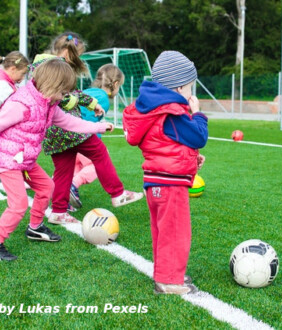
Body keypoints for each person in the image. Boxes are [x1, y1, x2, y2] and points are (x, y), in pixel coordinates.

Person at [0, 59, 114, 261]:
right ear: (52, 85)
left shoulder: (49, 104)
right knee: (18, 204)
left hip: (25, 160)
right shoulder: (21, 105)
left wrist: (98, 127)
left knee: (47, 187)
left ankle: (35, 228)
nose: (66, 97)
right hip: (8, 160)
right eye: (64, 92)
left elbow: (69, 122)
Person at [28, 32, 143, 225]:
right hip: (67, 126)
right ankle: (117, 193)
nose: (76, 60)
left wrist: (92, 104)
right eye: (76, 55)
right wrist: (82, 108)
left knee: (64, 169)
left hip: (53, 132)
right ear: (67, 52)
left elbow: (72, 92)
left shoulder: (42, 64)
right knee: (99, 152)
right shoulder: (52, 67)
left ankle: (58, 211)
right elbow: (59, 96)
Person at [122, 51, 208, 295]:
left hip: (155, 181)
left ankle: (167, 273)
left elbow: (166, 144)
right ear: (179, 86)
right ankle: (169, 281)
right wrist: (198, 113)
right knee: (176, 232)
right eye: (190, 87)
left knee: (162, 232)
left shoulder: (153, 110)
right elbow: (198, 135)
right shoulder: (172, 112)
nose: (191, 93)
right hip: (170, 185)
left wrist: (191, 159)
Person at [69, 64, 125, 209]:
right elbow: (87, 119)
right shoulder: (104, 99)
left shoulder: (89, 91)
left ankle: (60, 191)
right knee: (97, 164)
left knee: (74, 167)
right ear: (116, 84)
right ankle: (73, 185)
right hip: (83, 137)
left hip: (69, 136)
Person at [0, 51, 30, 201]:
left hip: (1, 125)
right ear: (13, 69)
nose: (22, 80)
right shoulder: (2, 84)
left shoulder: (3, 79)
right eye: (22, 74)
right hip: (1, 126)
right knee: (7, 155)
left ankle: (6, 182)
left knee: (13, 154)